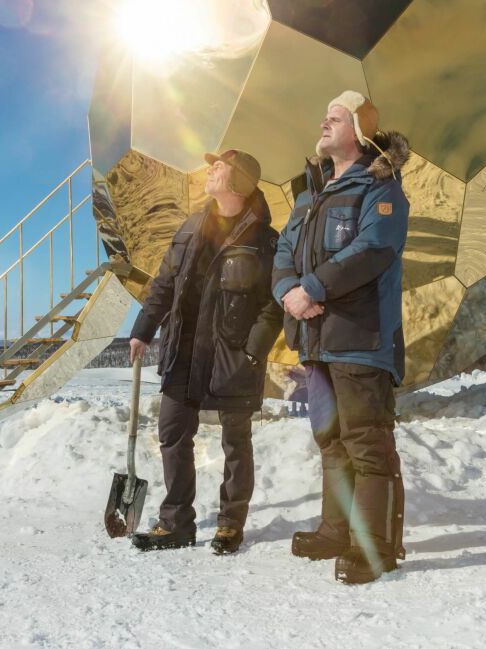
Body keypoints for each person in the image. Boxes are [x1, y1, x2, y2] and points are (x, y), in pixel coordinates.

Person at [272, 91, 410, 585]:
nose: (324, 122)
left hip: (360, 340)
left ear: (358, 131)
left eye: (335, 117)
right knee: (331, 442)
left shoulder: (381, 189)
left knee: (367, 442)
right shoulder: (309, 198)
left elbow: (373, 249)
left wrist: (313, 287)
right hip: (315, 342)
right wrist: (290, 289)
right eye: (325, 115)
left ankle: (375, 548)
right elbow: (283, 251)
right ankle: (336, 530)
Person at [128, 149, 282, 555]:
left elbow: (274, 303)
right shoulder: (193, 224)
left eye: (220, 165)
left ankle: (231, 523)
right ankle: (176, 522)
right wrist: (143, 328)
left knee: (236, 440)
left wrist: (253, 350)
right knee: (173, 434)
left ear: (239, 181)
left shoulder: (264, 239)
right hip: (183, 349)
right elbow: (165, 281)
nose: (211, 169)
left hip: (231, 355)